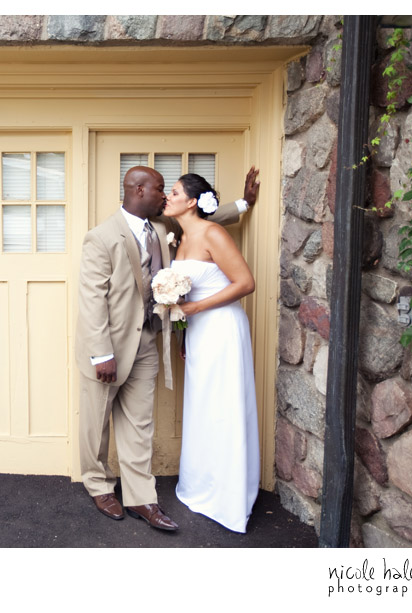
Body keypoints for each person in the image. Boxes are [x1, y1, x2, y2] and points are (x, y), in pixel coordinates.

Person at [74, 165, 258, 531]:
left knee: (140, 422)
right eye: (161, 189)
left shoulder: (161, 227)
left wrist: (243, 203)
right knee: (96, 422)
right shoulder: (101, 237)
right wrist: (101, 353)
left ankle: (141, 497)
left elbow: (200, 217)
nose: (164, 196)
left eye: (169, 191)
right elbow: (91, 299)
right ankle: (98, 485)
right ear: (140, 190)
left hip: (148, 341)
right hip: (107, 347)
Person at [162, 172, 260, 533]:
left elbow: (246, 283)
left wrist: (196, 311)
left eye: (173, 193)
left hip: (221, 329)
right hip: (198, 333)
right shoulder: (181, 236)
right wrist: (185, 334)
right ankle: (202, 483)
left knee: (224, 405)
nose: (166, 197)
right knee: (203, 407)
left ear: (191, 202)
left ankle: (228, 494)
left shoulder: (212, 232)